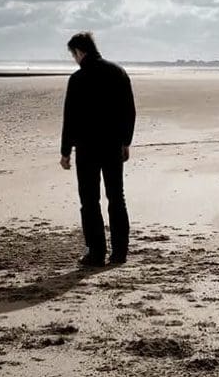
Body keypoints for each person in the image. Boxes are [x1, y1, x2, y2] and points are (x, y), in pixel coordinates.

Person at [60, 32, 136, 267]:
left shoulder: (78, 79)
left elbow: (69, 118)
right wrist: (126, 141)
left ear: (80, 52)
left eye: (73, 54)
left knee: (90, 201)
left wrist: (65, 151)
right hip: (113, 145)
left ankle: (96, 253)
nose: (74, 59)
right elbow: (129, 111)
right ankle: (119, 253)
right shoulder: (118, 72)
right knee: (116, 197)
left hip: (87, 148)